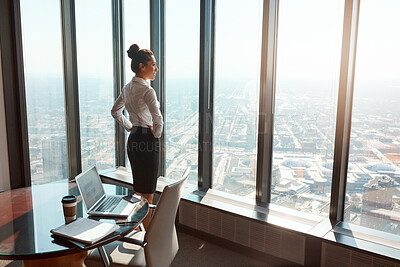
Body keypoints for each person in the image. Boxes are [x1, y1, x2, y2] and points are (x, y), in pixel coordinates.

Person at [111, 44, 163, 229]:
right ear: (142, 66)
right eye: (153, 65)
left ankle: (137, 230)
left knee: (139, 191)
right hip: (147, 142)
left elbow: (115, 112)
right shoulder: (148, 91)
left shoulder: (127, 88)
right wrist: (155, 134)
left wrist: (130, 127)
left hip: (133, 140)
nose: (156, 69)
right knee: (148, 194)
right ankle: (146, 235)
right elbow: (158, 119)